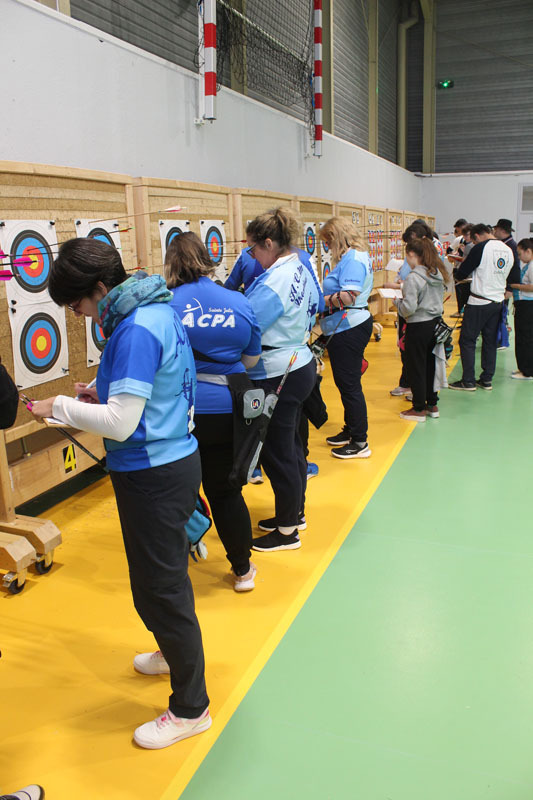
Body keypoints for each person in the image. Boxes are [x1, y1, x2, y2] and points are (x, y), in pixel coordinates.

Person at [29, 238, 210, 750]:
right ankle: (173, 655)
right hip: (164, 465)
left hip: (155, 472)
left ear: (99, 287)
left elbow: (122, 423)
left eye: (76, 303)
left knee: (162, 590)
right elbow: (154, 390)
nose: (78, 313)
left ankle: (191, 708)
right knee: (157, 583)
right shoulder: (152, 308)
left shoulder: (134, 327)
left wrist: (58, 406)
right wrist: (98, 392)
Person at [165, 232, 262, 590]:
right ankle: (243, 570)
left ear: (171, 263)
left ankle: (174, 572)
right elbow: (251, 359)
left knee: (177, 492)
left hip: (180, 412)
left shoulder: (165, 305)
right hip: (227, 410)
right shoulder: (238, 300)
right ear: (207, 259)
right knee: (225, 492)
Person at [244, 208, 319, 552]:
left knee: (278, 452)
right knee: (291, 447)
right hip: (297, 362)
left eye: (253, 249)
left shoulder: (275, 279)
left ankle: (287, 531)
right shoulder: (298, 265)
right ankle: (294, 514)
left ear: (269, 243)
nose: (252, 256)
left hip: (278, 370)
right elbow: (314, 304)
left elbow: (248, 324)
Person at [318, 216, 373, 458]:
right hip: (343, 325)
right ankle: (351, 430)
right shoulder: (353, 256)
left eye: (329, 241)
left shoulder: (353, 258)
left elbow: (350, 295)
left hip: (349, 325)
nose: (328, 247)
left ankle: (360, 442)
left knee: (349, 385)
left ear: (337, 237)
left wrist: (318, 301)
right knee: (345, 383)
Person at [449, 224, 513, 391]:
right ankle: (486, 379)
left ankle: (468, 380)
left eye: (474, 240)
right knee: (490, 341)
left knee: (467, 340)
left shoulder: (481, 248)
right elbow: (512, 276)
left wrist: (460, 275)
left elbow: (462, 272)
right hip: (497, 301)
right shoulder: (507, 249)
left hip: (479, 301)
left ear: (477, 236)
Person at [394, 238, 446, 422]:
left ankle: (418, 408)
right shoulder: (437, 274)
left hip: (418, 326)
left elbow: (409, 308)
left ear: (412, 255)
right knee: (431, 365)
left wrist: (397, 303)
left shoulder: (413, 277)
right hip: (435, 325)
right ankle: (432, 404)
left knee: (416, 367)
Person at [509, 238, 533, 379]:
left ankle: (528, 371)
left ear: (528, 251)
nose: (519, 257)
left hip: (528, 305)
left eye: (519, 254)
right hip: (522, 304)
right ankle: (523, 367)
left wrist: (515, 286)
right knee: (521, 337)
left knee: (526, 338)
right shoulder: (528, 265)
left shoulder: (532, 266)